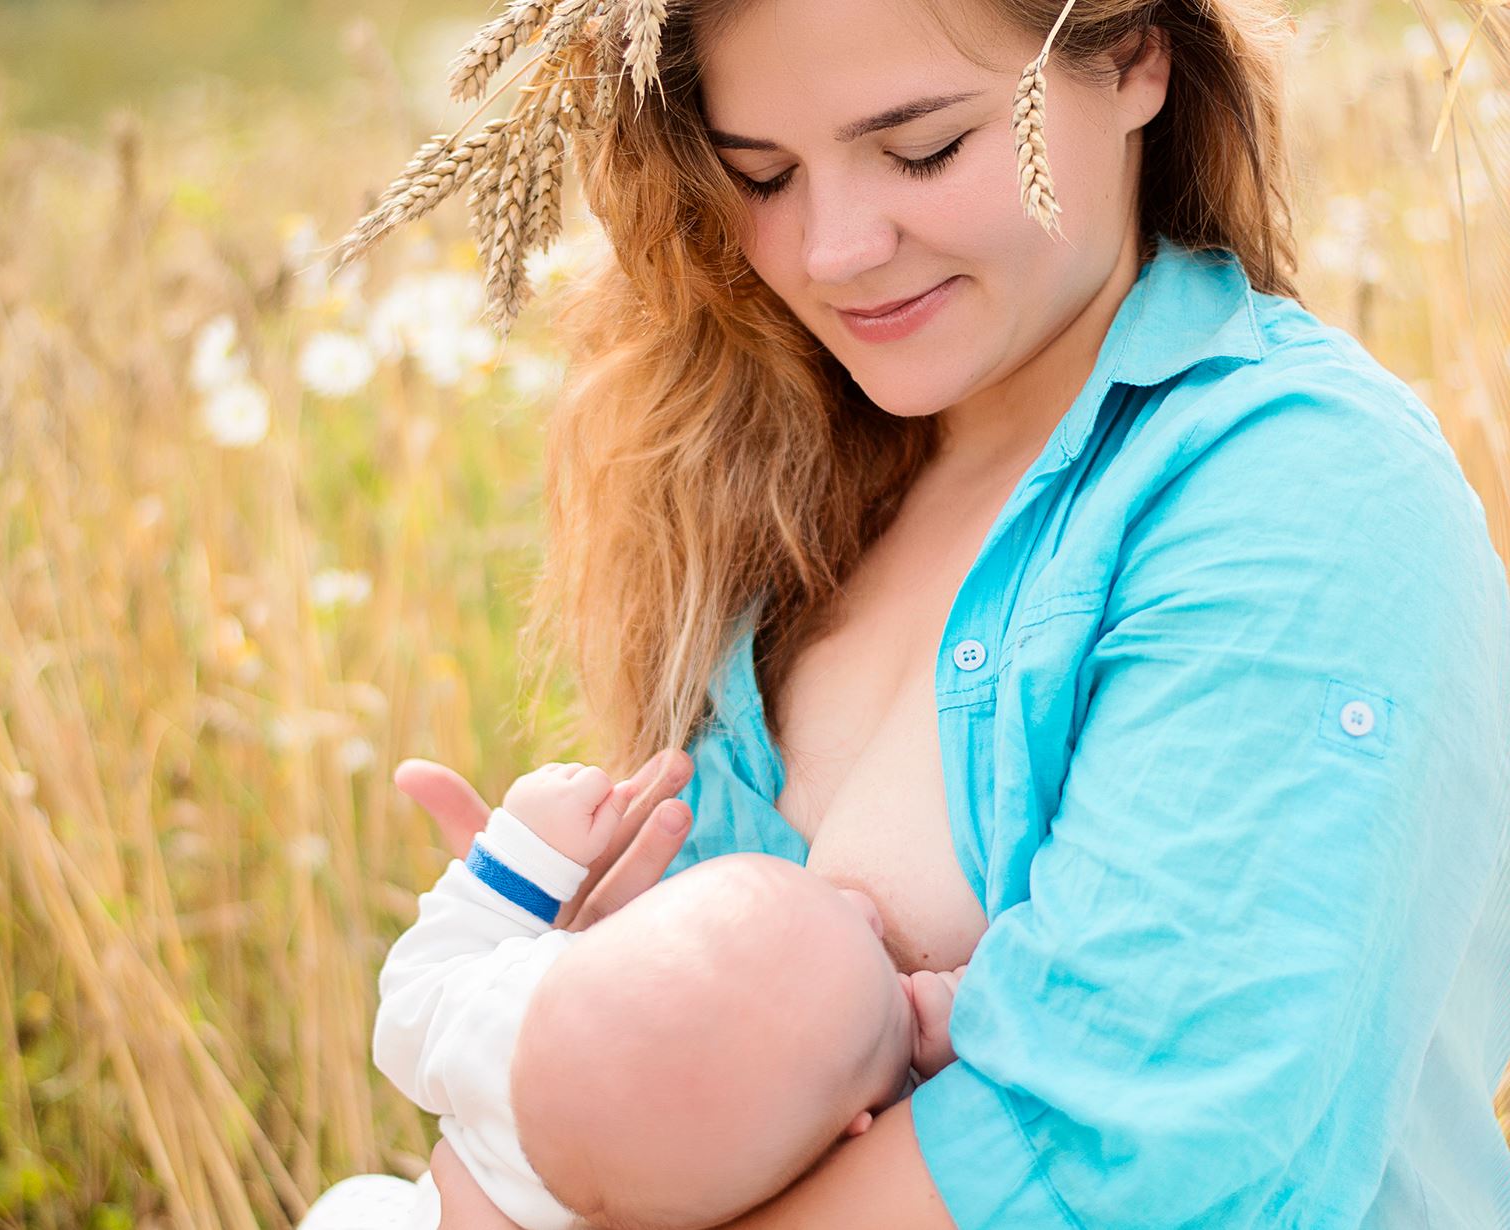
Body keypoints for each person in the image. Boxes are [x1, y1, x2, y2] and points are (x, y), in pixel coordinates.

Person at [307, 0, 1510, 1222]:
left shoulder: (1301, 494)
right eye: (759, 175)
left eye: (920, 149)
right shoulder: (782, 507)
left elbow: (1127, 1162)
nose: (829, 249)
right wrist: (556, 1005)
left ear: (1136, 56)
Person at [305, 759, 958, 1230]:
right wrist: (929, 1043)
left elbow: (415, 992)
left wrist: (522, 859)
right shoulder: (742, 1176)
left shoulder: (513, 1016)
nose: (864, 908)